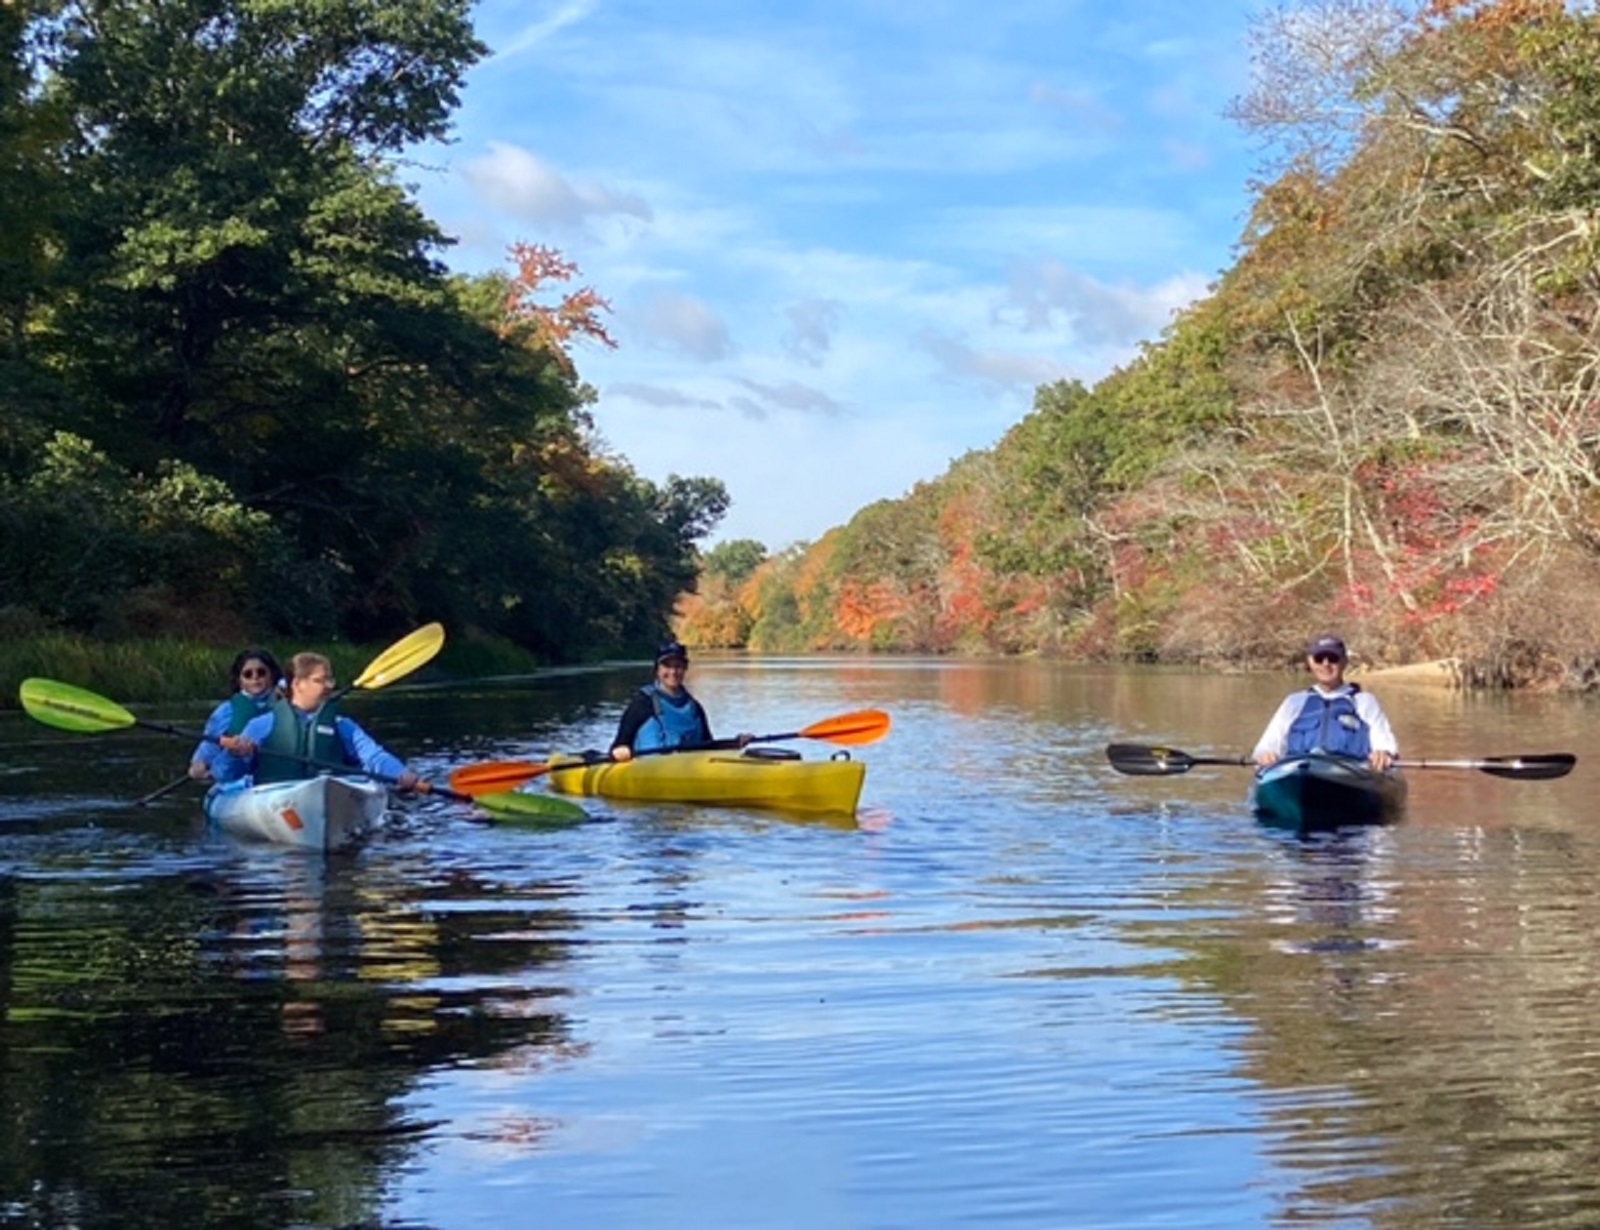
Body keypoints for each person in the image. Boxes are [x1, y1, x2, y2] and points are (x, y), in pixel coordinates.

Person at [212, 651, 424, 790]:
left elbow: (375, 758)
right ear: (297, 683)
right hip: (275, 799)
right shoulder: (261, 726)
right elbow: (223, 775)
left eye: (330, 679)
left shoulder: (343, 726)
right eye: (321, 680)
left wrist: (402, 774)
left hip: (332, 794)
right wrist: (234, 754)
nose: (329, 686)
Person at [1252, 634, 1398, 771]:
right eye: (1319, 658)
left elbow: (1385, 743)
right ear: (1310, 662)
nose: (1326, 664)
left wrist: (1383, 753)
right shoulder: (1294, 702)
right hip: (1298, 772)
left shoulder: (1365, 701)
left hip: (1350, 774)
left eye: (1333, 658)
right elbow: (1266, 746)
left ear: (1344, 662)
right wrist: (1266, 755)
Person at [608, 641, 751, 762]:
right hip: (647, 773)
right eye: (667, 666)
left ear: (685, 669)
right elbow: (618, 745)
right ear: (657, 670)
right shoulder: (642, 703)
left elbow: (707, 747)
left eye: (678, 666)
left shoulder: (694, 708)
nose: (673, 672)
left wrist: (736, 743)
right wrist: (620, 751)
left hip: (686, 774)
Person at [188, 647, 285, 782]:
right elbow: (208, 747)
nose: (255, 677)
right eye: (248, 674)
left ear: (272, 675)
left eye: (261, 672)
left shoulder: (288, 704)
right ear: (239, 680)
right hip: (238, 781)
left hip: (278, 777)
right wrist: (199, 766)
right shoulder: (225, 711)